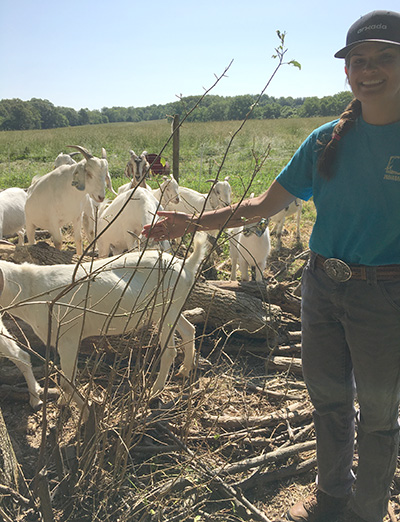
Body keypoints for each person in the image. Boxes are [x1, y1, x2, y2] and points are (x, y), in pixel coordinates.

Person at [142, 10, 400, 522]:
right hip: (322, 286)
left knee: (378, 414)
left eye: (385, 58)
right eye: (359, 61)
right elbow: (261, 207)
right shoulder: (327, 139)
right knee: (327, 399)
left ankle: (367, 512)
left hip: (385, 296)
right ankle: (331, 501)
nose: (370, 70)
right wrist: (189, 222)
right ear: (347, 73)